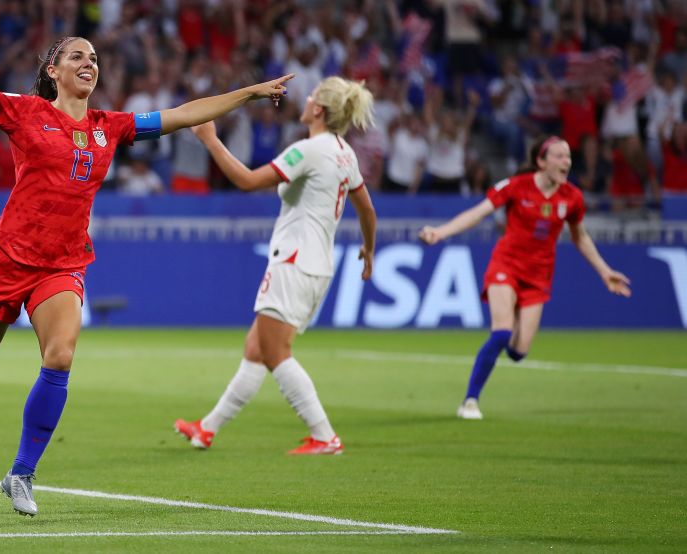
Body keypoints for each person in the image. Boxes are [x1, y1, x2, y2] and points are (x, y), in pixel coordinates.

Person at [0, 16, 291, 515]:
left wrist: (250, 92)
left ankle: (22, 473)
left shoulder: (109, 127)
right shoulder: (24, 113)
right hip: (10, 257)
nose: (89, 62)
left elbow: (183, 114)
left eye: (94, 58)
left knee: (61, 357)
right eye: (77, 56)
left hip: (62, 264)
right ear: (53, 70)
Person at [174, 76, 377, 455]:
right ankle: (208, 428)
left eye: (313, 95)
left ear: (319, 109)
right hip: (317, 265)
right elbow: (367, 208)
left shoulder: (309, 150)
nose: (307, 98)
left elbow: (249, 181)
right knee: (257, 349)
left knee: (275, 353)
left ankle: (324, 435)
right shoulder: (344, 153)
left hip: (294, 262)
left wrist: (211, 140)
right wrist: (369, 248)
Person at [418, 137, 632, 420]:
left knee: (518, 352)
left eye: (568, 157)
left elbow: (580, 237)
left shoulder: (572, 197)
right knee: (502, 330)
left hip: (538, 276)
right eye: (558, 156)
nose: (566, 162)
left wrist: (605, 271)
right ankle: (470, 400)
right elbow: (479, 213)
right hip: (506, 265)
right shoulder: (516, 186)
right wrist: (441, 232)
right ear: (541, 162)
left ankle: (507, 334)